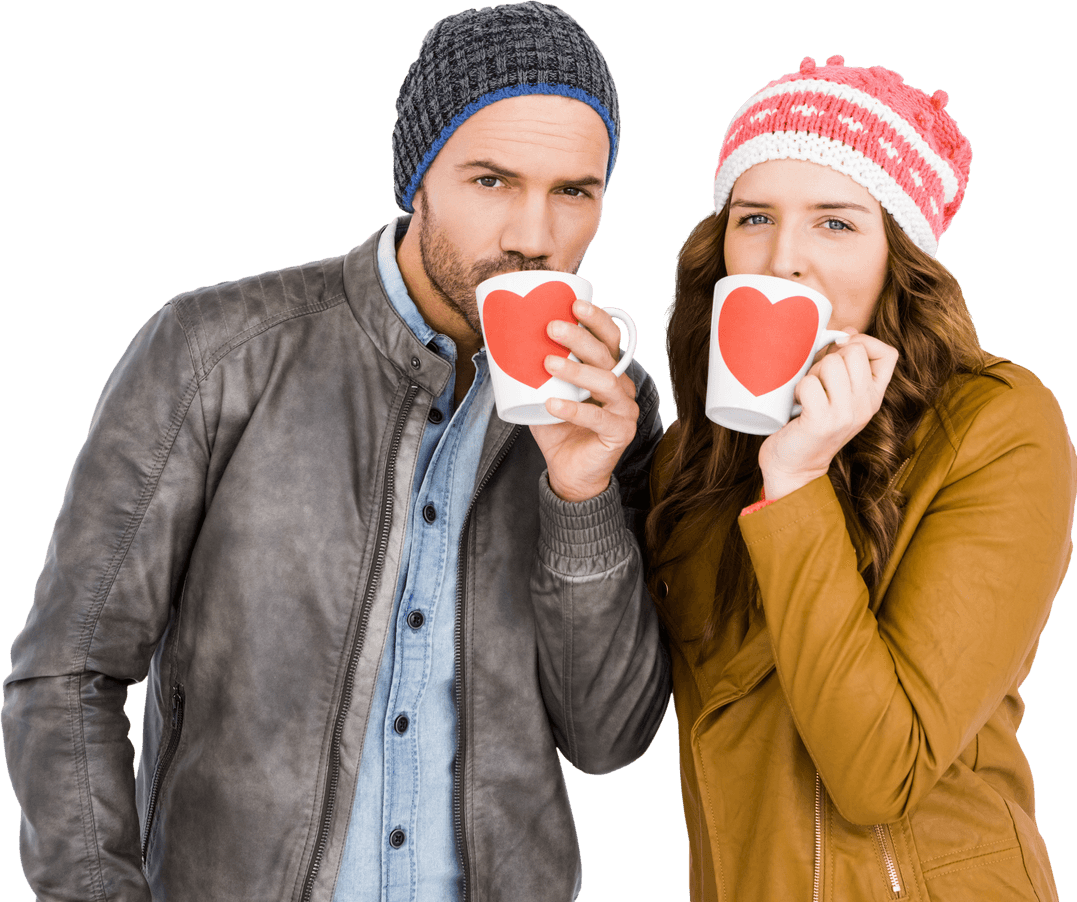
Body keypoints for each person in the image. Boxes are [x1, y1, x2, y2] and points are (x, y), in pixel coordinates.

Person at [1, 3, 670, 900]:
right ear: (418, 175)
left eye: (573, 192)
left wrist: (580, 494)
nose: (533, 235)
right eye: (491, 180)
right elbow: (68, 672)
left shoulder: (608, 410)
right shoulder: (217, 352)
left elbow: (607, 738)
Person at [646, 55, 1077, 901]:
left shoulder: (996, 424)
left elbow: (878, 775)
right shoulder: (691, 461)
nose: (781, 260)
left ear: (898, 256)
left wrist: (798, 482)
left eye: (835, 224)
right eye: (755, 217)